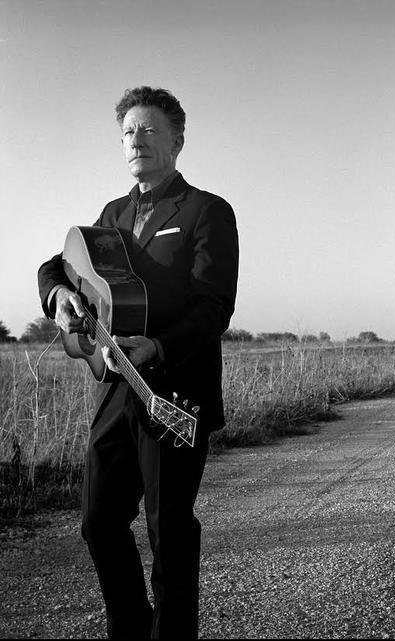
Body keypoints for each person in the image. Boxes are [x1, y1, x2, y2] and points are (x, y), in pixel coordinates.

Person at [37, 86, 239, 639]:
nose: (137, 140)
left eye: (149, 130)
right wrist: (60, 297)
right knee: (99, 522)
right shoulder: (112, 214)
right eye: (128, 131)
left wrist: (161, 347)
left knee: (168, 531)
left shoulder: (207, 211)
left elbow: (214, 306)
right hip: (115, 388)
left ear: (177, 140)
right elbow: (57, 266)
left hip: (174, 391)